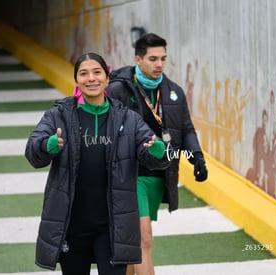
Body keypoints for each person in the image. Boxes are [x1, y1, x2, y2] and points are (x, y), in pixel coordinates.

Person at [25, 53, 171, 275]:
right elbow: (33, 151)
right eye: (83, 73)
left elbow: (152, 151)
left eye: (97, 72)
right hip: (72, 224)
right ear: (76, 80)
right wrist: (48, 146)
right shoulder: (59, 116)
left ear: (107, 78)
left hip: (114, 226)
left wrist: (158, 151)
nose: (91, 78)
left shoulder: (128, 119)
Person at [106, 33, 208, 275]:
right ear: (138, 59)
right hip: (130, 175)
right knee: (144, 240)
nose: (159, 64)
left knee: (135, 245)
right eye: (153, 59)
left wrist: (197, 157)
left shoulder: (174, 91)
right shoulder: (118, 90)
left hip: (159, 175)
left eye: (163, 58)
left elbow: (186, 129)